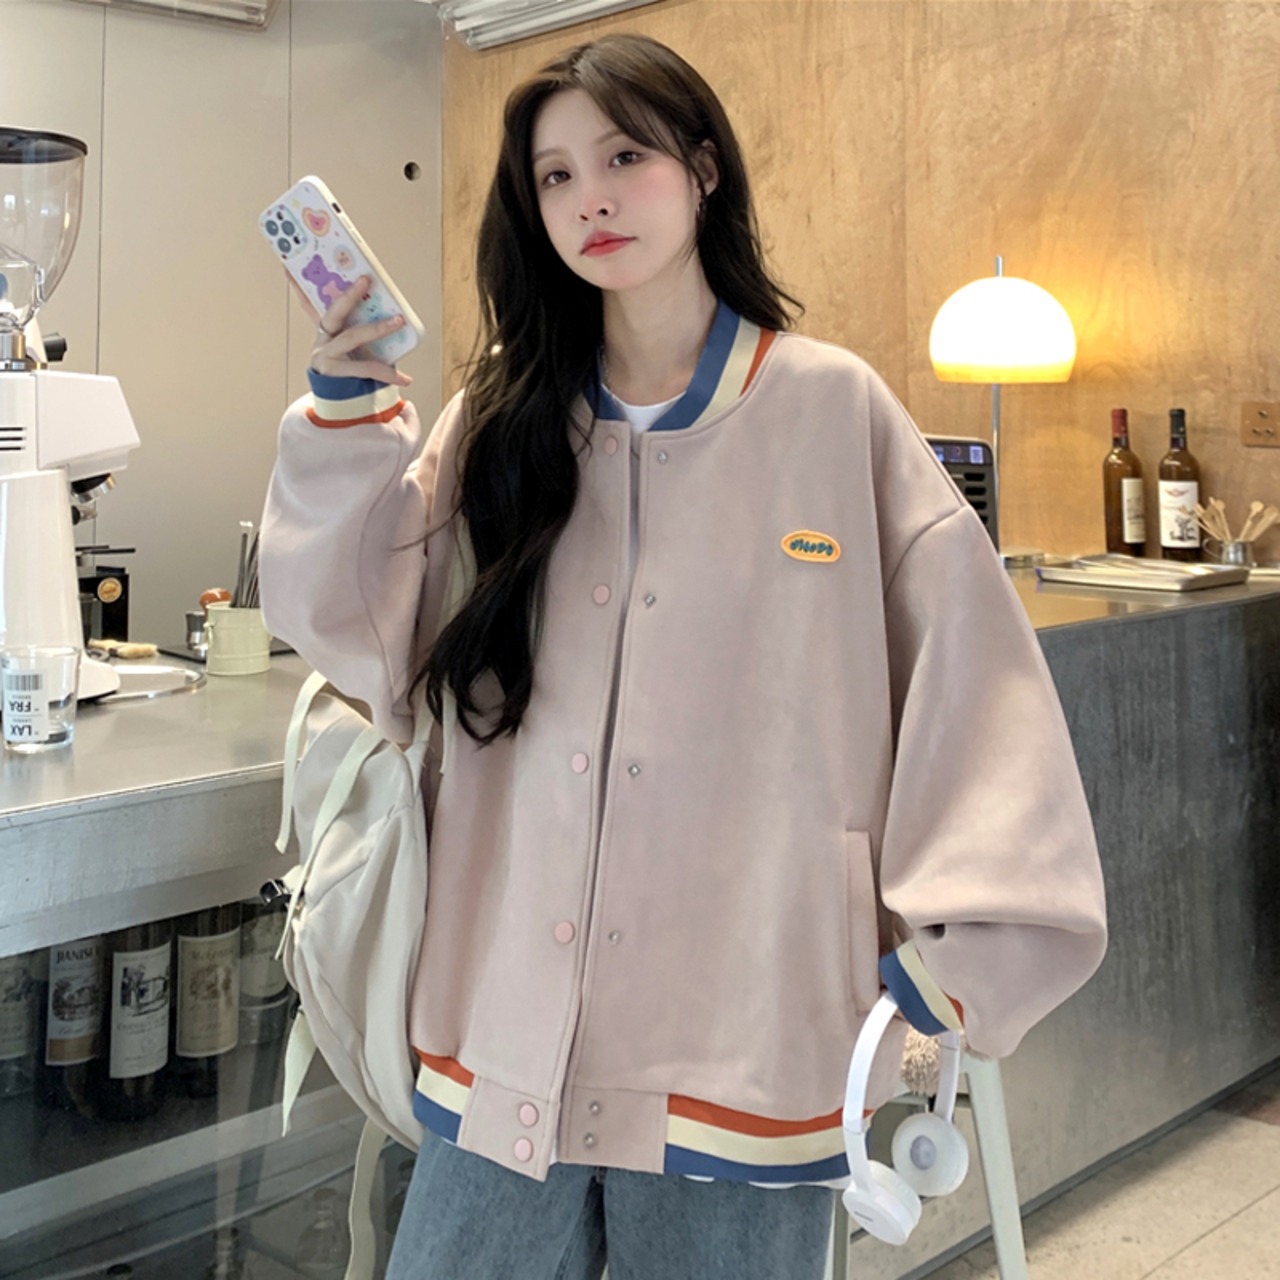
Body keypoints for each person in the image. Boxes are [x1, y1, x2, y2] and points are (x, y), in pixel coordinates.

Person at [260, 32, 1107, 1280]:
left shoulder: (830, 410)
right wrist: (345, 414)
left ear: (702, 169)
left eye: (623, 157)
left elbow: (976, 692)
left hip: (746, 1044)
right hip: (506, 1041)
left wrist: (955, 961)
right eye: (554, 176)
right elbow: (359, 632)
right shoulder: (500, 421)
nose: (588, 199)